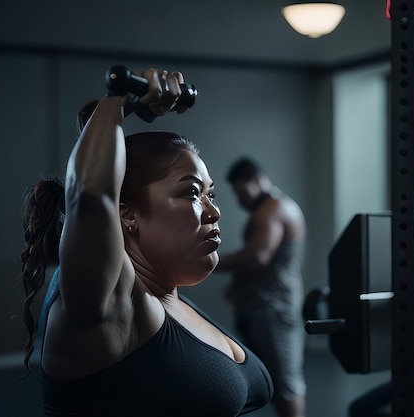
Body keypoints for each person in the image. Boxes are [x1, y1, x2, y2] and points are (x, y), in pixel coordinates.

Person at [19, 68, 273, 416]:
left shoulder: (169, 298)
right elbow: (90, 196)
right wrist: (117, 105)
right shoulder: (108, 306)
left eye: (211, 194)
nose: (214, 212)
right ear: (126, 214)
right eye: (193, 194)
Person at [215, 157, 307, 417]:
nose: (240, 199)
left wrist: (208, 262)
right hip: (262, 306)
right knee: (274, 384)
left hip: (274, 309)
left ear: (258, 181)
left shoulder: (273, 210)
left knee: (287, 386)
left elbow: (258, 257)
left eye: (242, 192)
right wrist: (237, 285)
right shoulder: (271, 208)